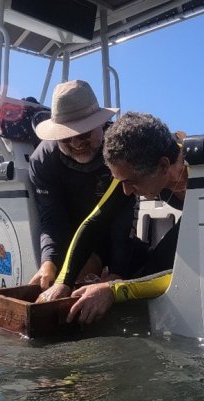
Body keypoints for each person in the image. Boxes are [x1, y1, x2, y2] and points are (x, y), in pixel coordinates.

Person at [38, 112, 188, 325]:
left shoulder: (199, 173)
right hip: (190, 220)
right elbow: (94, 222)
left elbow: (182, 276)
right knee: (150, 269)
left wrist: (113, 291)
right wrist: (63, 281)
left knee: (160, 270)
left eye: (131, 182)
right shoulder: (140, 168)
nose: (126, 192)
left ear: (164, 166)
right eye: (121, 182)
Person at [28, 80, 140, 291]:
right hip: (69, 238)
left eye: (83, 134)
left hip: (114, 232)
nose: (77, 144)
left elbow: (125, 215)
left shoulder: (121, 149)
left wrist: (117, 273)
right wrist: (48, 263)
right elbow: (51, 219)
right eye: (66, 138)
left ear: (100, 124)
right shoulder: (42, 160)